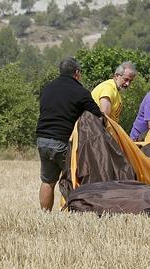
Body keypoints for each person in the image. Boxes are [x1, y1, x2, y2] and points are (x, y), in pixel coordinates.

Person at [36, 57, 103, 211]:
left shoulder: (48, 88)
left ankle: (45, 215)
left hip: (42, 139)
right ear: (77, 73)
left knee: (48, 181)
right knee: (73, 179)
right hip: (62, 141)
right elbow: (97, 116)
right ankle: (73, 214)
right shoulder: (80, 92)